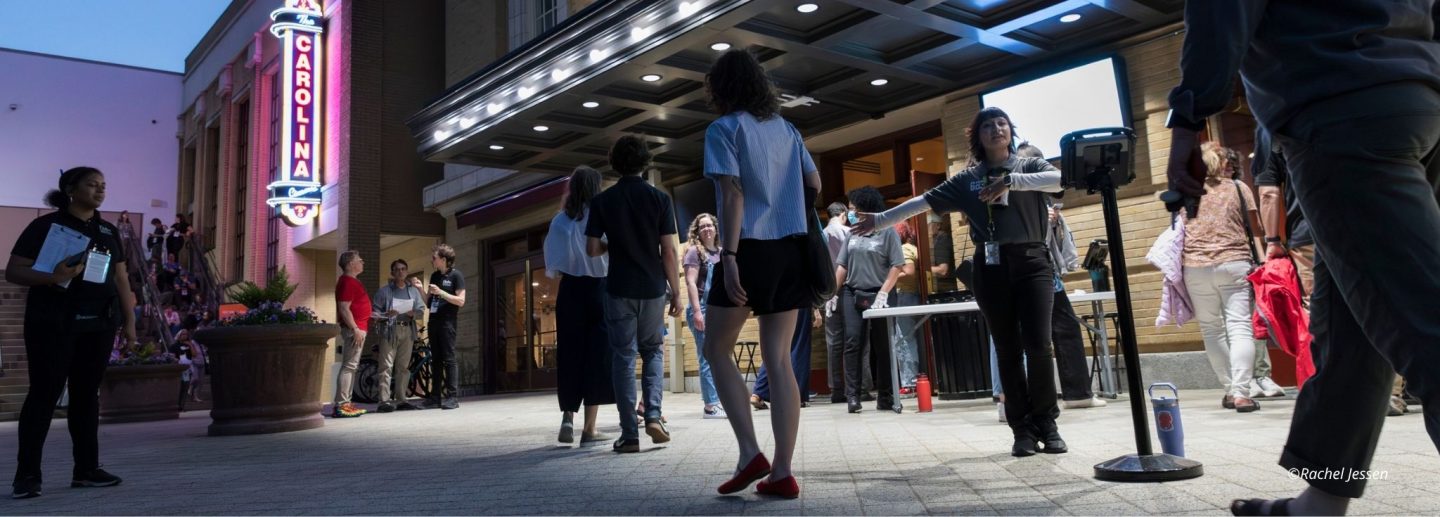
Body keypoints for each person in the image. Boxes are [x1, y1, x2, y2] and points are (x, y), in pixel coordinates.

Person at [1166, 3, 1439, 512]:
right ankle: (1321, 500)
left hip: (1336, 104)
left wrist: (1188, 119)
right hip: (1416, 95)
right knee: (1353, 326)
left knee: (1423, 321)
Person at [853, 107, 1069, 457]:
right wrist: (880, 220)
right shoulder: (967, 179)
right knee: (1007, 350)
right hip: (991, 265)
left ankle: (1048, 422)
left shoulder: (1027, 164)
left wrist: (1012, 181)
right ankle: (1022, 430)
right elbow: (922, 202)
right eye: (988, 125)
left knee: (1039, 346)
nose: (997, 129)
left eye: (1002, 124)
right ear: (978, 136)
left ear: (1010, 131)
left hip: (1033, 263)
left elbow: (1061, 181)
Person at [700, 48, 820, 499]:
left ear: (720, 88)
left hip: (747, 248)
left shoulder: (723, 128)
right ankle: (782, 471)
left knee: (716, 347)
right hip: (790, 250)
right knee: (779, 358)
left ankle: (750, 451)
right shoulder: (787, 129)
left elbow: (731, 195)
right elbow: (814, 184)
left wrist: (728, 258)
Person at [8, 166, 137, 498]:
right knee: (44, 394)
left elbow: (121, 278)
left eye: (103, 186)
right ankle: (27, 476)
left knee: (86, 395)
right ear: (70, 189)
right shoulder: (45, 226)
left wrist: (130, 320)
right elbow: (14, 271)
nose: (100, 191)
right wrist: (52, 276)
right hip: (53, 323)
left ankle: (87, 469)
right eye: (92, 185)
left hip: (99, 323)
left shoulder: (108, 230)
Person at [585, 135, 683, 453]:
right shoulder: (659, 199)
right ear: (645, 162)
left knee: (623, 357)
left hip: (618, 288)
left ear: (616, 163)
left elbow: (591, 248)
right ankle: (653, 414)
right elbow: (668, 250)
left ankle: (629, 434)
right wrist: (677, 292)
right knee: (653, 351)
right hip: (653, 288)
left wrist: (613, 244)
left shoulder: (603, 201)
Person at [1015, 142, 1105, 410]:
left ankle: (1017, 399)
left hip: (1024, 275)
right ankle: (1076, 394)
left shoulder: (1029, 196)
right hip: (1040, 274)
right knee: (1062, 331)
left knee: (1026, 338)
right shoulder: (1036, 198)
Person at [1180, 142, 1263, 413]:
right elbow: (1256, 228)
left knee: (1211, 330)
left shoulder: (1185, 191)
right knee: (1239, 327)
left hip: (1194, 266)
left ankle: (1230, 390)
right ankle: (1241, 392)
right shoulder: (1238, 188)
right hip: (1234, 263)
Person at [544, 166, 617, 445]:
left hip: (571, 289)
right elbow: (612, 247)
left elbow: (553, 264)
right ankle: (589, 429)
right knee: (597, 356)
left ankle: (567, 417)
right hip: (599, 287)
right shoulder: (601, 216)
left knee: (570, 354)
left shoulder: (560, 221)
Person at [831, 186, 904, 414]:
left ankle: (886, 395)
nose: (851, 212)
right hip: (853, 293)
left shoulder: (887, 232)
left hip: (880, 293)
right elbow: (842, 264)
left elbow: (897, 264)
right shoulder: (852, 233)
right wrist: (832, 293)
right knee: (853, 342)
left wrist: (884, 292)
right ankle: (853, 396)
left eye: (855, 208)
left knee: (883, 346)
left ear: (868, 210)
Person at [682, 213, 726, 419]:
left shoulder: (720, 252)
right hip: (702, 309)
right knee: (707, 357)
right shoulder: (694, 252)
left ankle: (720, 400)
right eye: (702, 227)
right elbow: (690, 282)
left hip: (718, 310)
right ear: (697, 232)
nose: (707, 229)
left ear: (716, 229)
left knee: (719, 357)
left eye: (709, 225)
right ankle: (710, 405)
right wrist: (697, 312)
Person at [370, 259, 426, 413]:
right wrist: (386, 314)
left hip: (407, 330)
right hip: (390, 330)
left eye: (403, 269)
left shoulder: (413, 291)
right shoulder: (384, 291)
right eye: (397, 269)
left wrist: (413, 313)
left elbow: (421, 310)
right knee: (386, 365)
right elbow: (374, 313)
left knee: (403, 367)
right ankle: (384, 401)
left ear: (406, 271)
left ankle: (401, 400)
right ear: (392, 273)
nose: (400, 272)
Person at [424, 244, 466, 410]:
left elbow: (461, 301)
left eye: (434, 258)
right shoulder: (434, 276)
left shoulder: (457, 275)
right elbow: (428, 303)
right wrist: (421, 289)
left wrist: (441, 293)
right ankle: (435, 397)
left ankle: (452, 397)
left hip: (447, 322)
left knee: (449, 358)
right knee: (436, 360)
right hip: (433, 321)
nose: (432, 260)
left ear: (444, 259)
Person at [331, 250, 371, 419]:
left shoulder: (352, 282)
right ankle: (342, 405)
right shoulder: (347, 282)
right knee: (349, 366)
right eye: (359, 260)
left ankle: (344, 404)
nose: (362, 262)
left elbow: (354, 307)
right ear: (350, 264)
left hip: (359, 327)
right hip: (354, 330)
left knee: (351, 367)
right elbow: (344, 308)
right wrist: (355, 328)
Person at [751, 309, 818, 408]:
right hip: (798, 299)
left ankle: (758, 393)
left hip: (775, 301)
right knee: (799, 345)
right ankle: (796, 396)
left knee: (775, 347)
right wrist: (817, 311)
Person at [821, 202, 849, 402]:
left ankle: (835, 389)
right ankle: (860, 386)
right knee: (855, 340)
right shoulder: (849, 232)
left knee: (833, 342)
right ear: (843, 215)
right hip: (849, 288)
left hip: (828, 292)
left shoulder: (821, 235)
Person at [892, 221, 922, 392]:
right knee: (909, 338)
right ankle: (914, 380)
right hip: (913, 295)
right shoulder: (915, 248)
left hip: (905, 296)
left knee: (903, 340)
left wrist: (889, 278)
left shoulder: (904, 249)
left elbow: (909, 271)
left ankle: (909, 382)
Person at [929, 216, 959, 293]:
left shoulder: (941, 240)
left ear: (938, 226)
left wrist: (923, 269)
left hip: (946, 288)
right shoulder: (936, 240)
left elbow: (943, 270)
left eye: (929, 224)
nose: (926, 228)